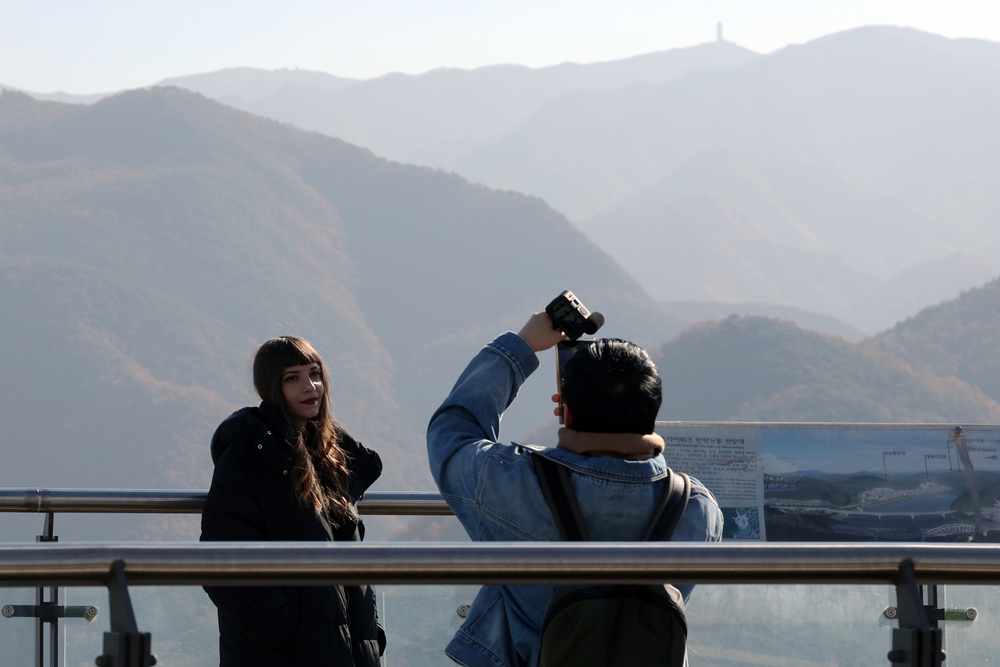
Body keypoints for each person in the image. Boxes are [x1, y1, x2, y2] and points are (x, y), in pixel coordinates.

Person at [427, 311, 723, 667]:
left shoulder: (516, 483)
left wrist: (519, 347)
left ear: (566, 414)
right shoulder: (698, 509)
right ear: (651, 412)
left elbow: (452, 434)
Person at [201, 336, 385, 667]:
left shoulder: (332, 459)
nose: (309, 386)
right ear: (272, 387)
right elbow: (221, 561)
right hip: (282, 654)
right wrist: (285, 631)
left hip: (346, 653)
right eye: (293, 378)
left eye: (314, 373)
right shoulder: (246, 456)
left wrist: (368, 629)